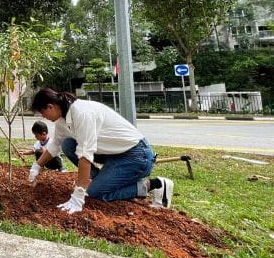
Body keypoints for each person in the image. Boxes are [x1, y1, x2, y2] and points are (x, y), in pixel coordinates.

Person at [28, 88, 174, 214]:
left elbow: (85, 154)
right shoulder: (62, 119)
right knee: (67, 144)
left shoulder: (82, 113)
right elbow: (55, 145)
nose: (44, 118)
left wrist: (79, 196)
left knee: (94, 192)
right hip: (114, 155)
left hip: (136, 156)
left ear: (50, 106)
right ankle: (99, 182)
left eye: (42, 113)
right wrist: (37, 166)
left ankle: (155, 184)